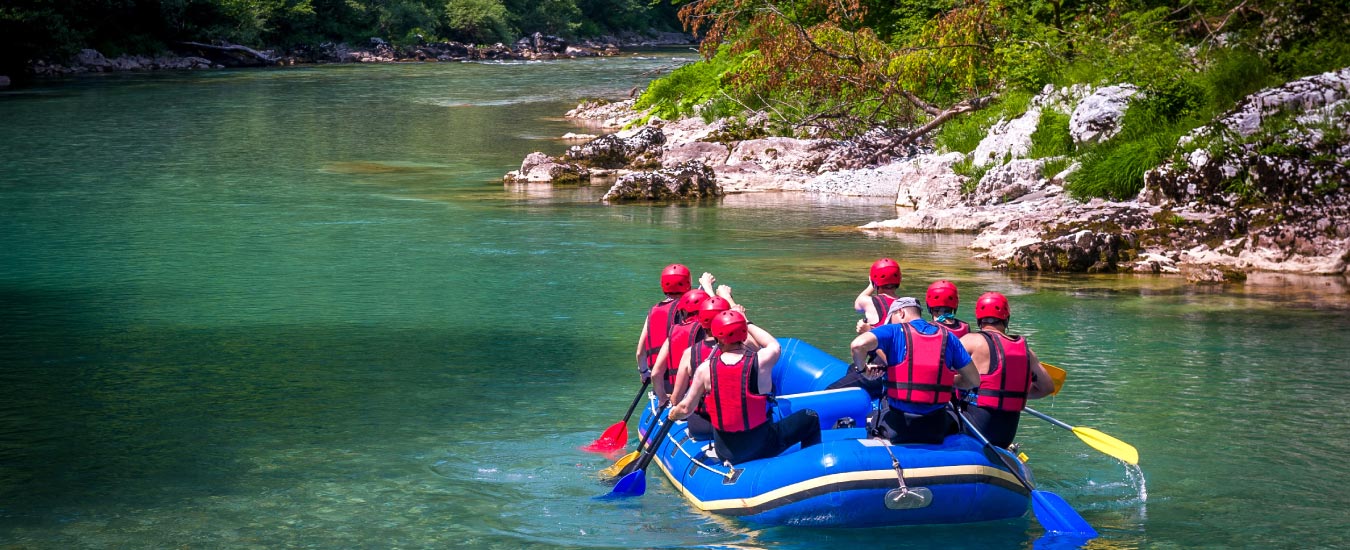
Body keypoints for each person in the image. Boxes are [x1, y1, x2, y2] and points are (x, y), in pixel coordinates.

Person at [671, 310, 822, 464]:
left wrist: (673, 414)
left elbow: (685, 409)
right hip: (762, 446)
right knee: (810, 417)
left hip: (725, 452)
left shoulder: (705, 369)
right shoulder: (761, 360)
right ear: (743, 335)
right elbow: (773, 345)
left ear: (717, 339)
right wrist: (746, 321)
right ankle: (811, 466)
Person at [849, 297, 981, 444]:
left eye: (891, 319)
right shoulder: (949, 337)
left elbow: (857, 345)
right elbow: (974, 381)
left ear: (901, 313)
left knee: (872, 416)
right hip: (936, 427)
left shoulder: (894, 331)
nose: (891, 323)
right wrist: (943, 381)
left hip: (898, 426)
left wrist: (863, 370)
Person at [959, 292, 1055, 449]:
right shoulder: (1027, 352)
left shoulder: (971, 340)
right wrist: (1014, 391)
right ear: (1006, 319)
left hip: (975, 429)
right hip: (1006, 434)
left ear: (979, 319)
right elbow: (1047, 388)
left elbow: (939, 372)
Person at [669, 287, 740, 439]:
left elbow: (676, 399)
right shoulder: (743, 350)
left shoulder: (690, 353)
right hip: (734, 424)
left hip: (701, 426)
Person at [650, 288, 710, 406]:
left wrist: (662, 398)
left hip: (677, 396)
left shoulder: (673, 335)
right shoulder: (714, 335)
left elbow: (655, 374)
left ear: (683, 312)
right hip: (703, 401)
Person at [635, 264, 691, 383]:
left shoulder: (653, 311)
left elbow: (640, 352)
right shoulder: (688, 309)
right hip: (682, 378)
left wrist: (644, 372)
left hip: (661, 379)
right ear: (688, 284)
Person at [853, 258, 902, 334]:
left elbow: (857, 306)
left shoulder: (868, 302)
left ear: (873, 281)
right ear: (899, 279)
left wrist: (872, 284)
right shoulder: (907, 305)